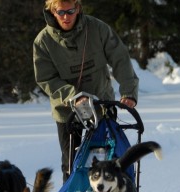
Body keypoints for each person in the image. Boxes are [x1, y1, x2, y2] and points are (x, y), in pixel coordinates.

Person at [33, 0, 139, 182]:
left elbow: (120, 58)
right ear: (52, 11)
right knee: (70, 162)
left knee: (103, 158)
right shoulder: (43, 41)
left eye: (70, 11)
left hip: (101, 104)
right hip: (67, 110)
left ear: (78, 8)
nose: (66, 17)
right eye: (60, 12)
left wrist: (128, 92)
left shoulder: (97, 29)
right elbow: (46, 78)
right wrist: (73, 96)